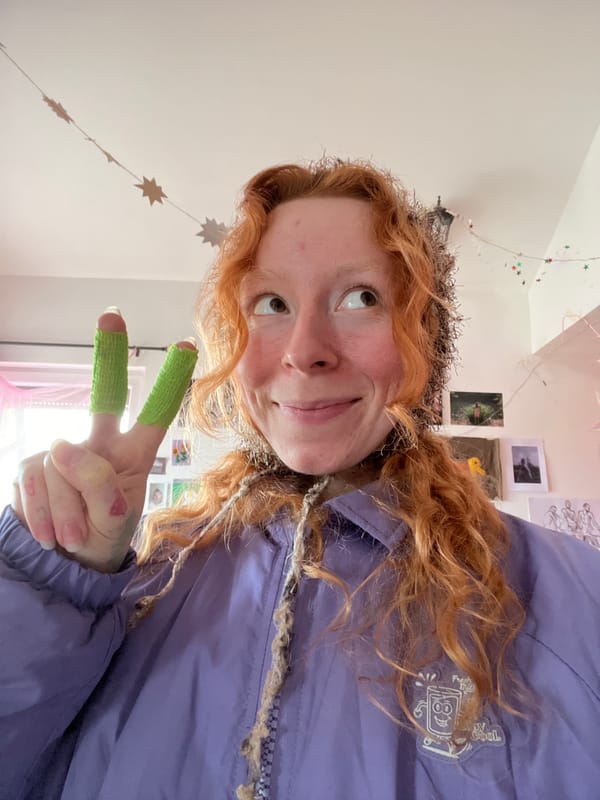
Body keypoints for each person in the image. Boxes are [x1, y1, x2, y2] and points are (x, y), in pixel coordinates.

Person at [1, 159, 599, 800]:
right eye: (272, 303)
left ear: (423, 337)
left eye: (361, 297)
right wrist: (58, 581)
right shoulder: (141, 580)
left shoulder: (572, 600)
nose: (304, 348)